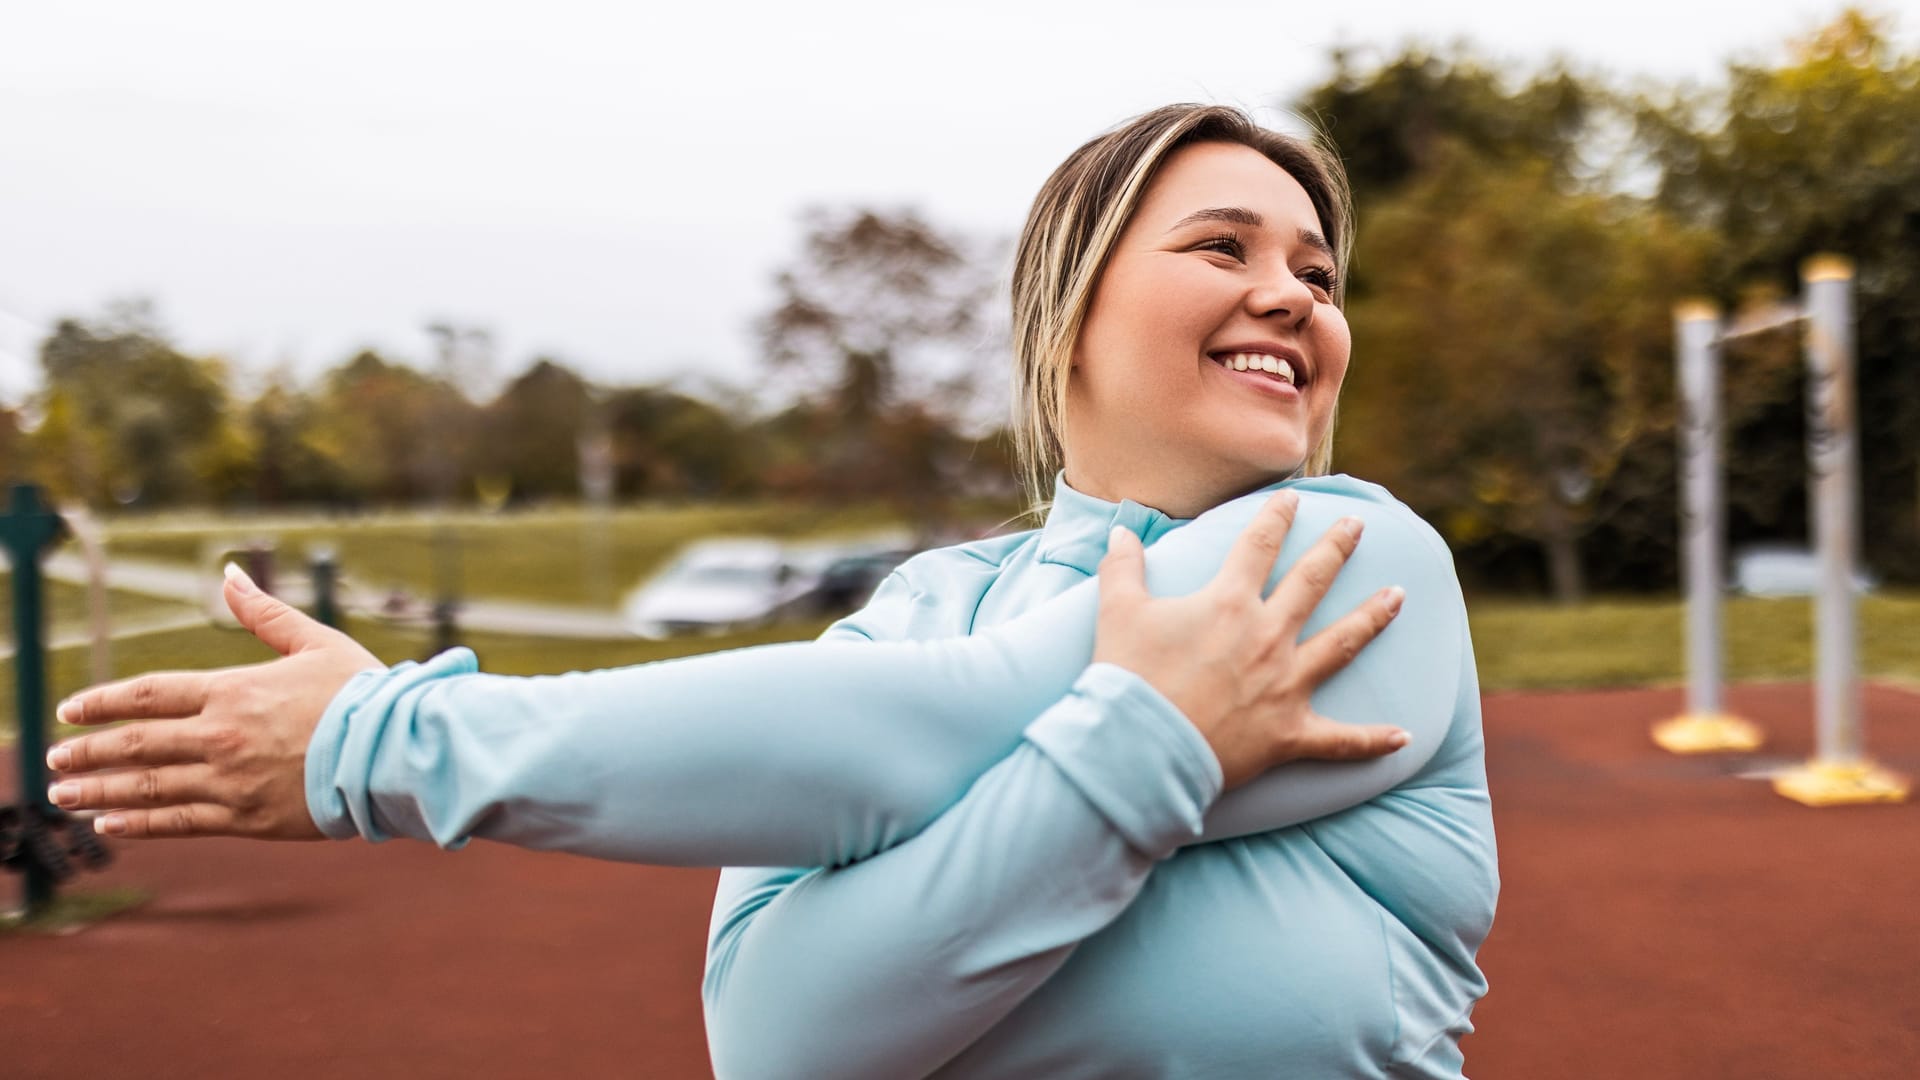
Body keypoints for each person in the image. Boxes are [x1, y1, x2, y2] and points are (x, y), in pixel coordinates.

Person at [47, 104, 1497, 1077]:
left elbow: (945, 728)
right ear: (1068, 318)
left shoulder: (1357, 561)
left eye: (1317, 268)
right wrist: (1145, 746)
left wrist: (389, 743)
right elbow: (783, 1039)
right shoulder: (913, 619)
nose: (1295, 294)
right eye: (1222, 248)